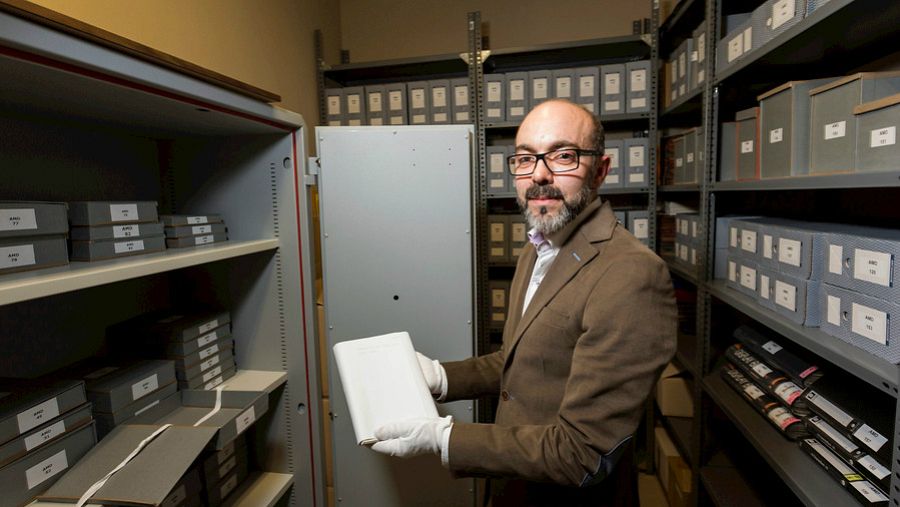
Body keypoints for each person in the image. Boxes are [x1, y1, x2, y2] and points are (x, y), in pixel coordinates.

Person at [370, 99, 677, 506]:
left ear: (600, 170)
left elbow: (582, 454)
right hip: (515, 485)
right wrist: (442, 378)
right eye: (525, 158)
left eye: (563, 156)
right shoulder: (538, 249)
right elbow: (520, 362)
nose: (539, 174)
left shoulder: (632, 275)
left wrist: (445, 439)